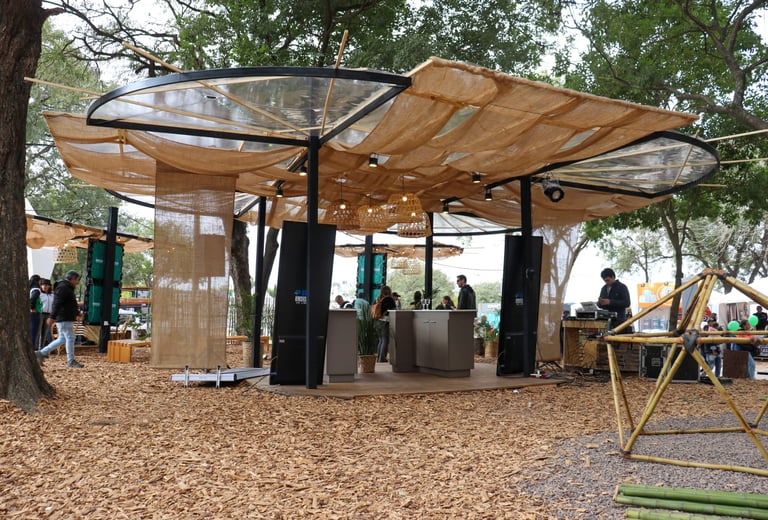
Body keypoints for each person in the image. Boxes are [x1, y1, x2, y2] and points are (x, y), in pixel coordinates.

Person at [35, 270, 85, 369]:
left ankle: (42, 353)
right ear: (73, 279)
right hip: (64, 317)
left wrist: (77, 312)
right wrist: (52, 316)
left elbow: (69, 303)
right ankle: (70, 361)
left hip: (65, 317)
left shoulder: (66, 287)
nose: (77, 282)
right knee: (70, 338)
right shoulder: (64, 288)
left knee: (62, 338)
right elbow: (57, 303)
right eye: (77, 280)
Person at [373, 285, 397, 362]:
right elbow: (393, 310)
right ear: (389, 291)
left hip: (377, 321)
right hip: (384, 322)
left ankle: (379, 357)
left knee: (380, 340)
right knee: (385, 340)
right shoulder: (389, 299)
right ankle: (382, 358)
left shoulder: (378, 299)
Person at [38, 278, 55, 349]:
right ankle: (36, 348)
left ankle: (41, 349)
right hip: (40, 314)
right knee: (38, 332)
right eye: (43, 285)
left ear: (49, 286)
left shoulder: (52, 295)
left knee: (44, 333)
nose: (44, 286)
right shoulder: (39, 294)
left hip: (49, 315)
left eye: (46, 285)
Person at [29, 274, 42, 350]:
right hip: (35, 313)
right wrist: (32, 308)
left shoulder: (31, 288)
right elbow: (33, 299)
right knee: (34, 332)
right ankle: (32, 349)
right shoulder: (36, 289)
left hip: (33, 313)